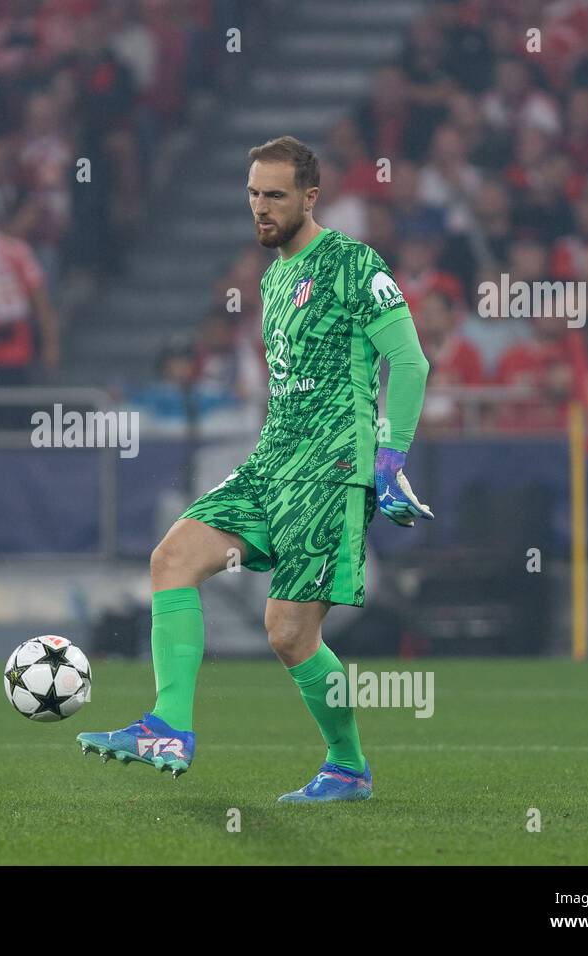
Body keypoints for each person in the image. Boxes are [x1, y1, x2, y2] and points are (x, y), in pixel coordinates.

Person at [76, 136, 434, 803]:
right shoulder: (272, 279)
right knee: (173, 559)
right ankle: (168, 728)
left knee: (290, 634)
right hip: (272, 463)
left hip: (331, 469)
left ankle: (348, 766)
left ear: (309, 196)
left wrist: (389, 460)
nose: (261, 208)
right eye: (253, 194)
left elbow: (410, 363)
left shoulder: (353, 264)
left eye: (274, 195)